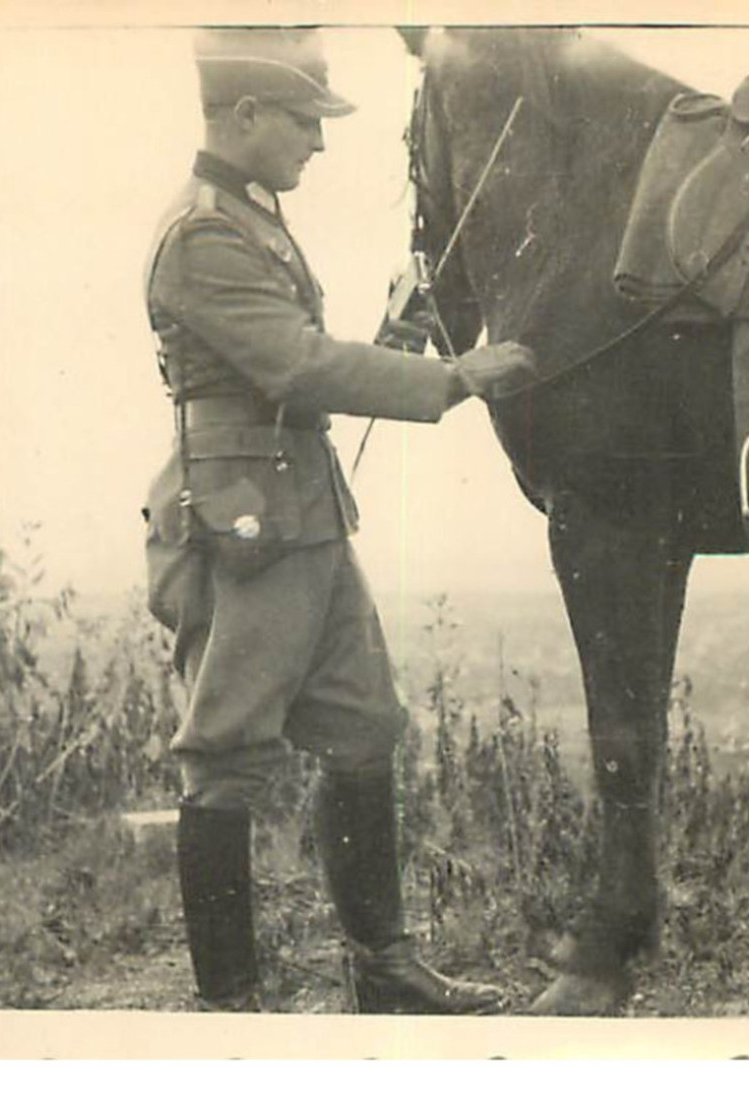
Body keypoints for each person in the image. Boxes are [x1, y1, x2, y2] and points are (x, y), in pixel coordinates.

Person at [141, 27, 536, 1013]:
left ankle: (383, 969)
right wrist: (448, 377)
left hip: (301, 515)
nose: (316, 143)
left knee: (363, 727)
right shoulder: (203, 232)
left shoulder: (250, 218)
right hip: (247, 526)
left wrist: (390, 345)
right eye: (302, 121)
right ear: (242, 114)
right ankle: (229, 1006)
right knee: (224, 756)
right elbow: (295, 368)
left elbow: (292, 364)